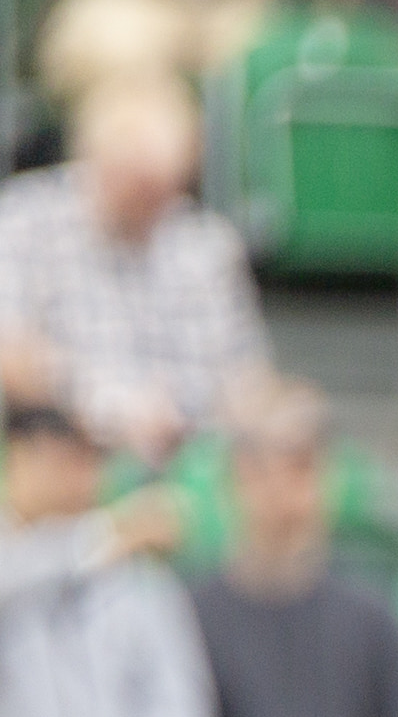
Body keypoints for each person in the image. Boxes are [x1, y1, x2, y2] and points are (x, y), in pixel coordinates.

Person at [184, 383, 398, 717]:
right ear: (238, 479)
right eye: (264, 469)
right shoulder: (195, 615)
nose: (284, 492)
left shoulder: (370, 614)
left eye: (302, 468)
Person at [0, 78, 269, 458]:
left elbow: (248, 379)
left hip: (193, 454)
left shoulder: (208, 244)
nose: (150, 202)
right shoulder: (23, 219)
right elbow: (11, 357)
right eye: (136, 184)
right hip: (72, 446)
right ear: (94, 158)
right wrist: (113, 413)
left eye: (164, 188)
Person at [0, 403, 203, 717]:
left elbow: (180, 714)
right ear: (16, 460)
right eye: (59, 460)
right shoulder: (107, 537)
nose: (77, 477)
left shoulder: (142, 576)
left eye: (87, 460)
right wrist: (108, 533)